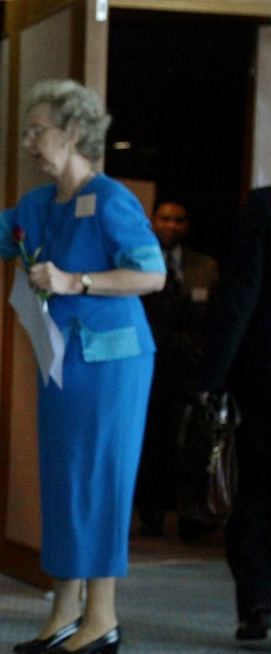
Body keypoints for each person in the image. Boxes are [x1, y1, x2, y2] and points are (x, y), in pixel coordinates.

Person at [0, 80, 165, 654]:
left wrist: (76, 281)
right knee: (63, 480)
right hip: (60, 359)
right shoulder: (39, 205)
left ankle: (103, 616)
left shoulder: (111, 198)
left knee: (101, 479)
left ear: (72, 133)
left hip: (114, 361)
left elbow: (152, 274)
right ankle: (65, 610)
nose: (27, 141)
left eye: (37, 129)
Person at [195, 188, 271, 642]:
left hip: (263, 373)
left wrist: (211, 375)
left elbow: (242, 290)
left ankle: (259, 601)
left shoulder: (263, 206)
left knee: (257, 488)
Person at [135, 199, 220, 538]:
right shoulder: (137, 260)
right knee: (150, 444)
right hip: (148, 365)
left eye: (178, 220)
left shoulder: (205, 266)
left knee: (187, 445)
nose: (171, 225)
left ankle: (191, 518)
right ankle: (150, 516)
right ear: (153, 221)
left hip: (188, 368)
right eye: (164, 218)